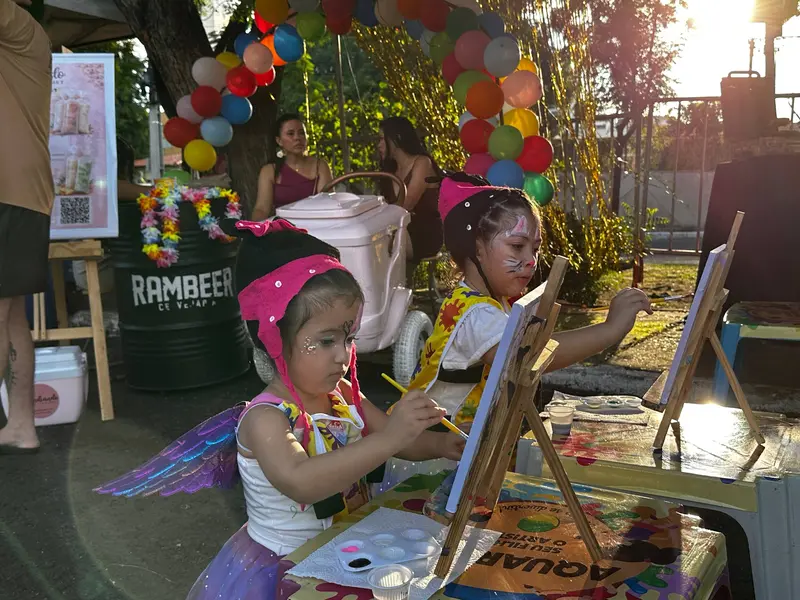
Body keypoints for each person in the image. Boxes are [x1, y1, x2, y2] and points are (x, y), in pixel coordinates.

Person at [95, 218, 464, 599]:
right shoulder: (264, 420)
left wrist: (440, 445)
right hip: (286, 570)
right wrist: (390, 439)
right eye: (326, 341)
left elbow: (396, 438)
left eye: (349, 338)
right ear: (274, 340)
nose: (343, 355)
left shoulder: (342, 395)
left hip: (348, 550)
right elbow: (302, 480)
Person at [377, 173, 652, 491]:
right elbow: (528, 357)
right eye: (517, 246)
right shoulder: (476, 314)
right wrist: (609, 330)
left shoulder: (494, 304)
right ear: (476, 248)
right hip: (429, 464)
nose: (531, 261)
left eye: (535, 249)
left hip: (454, 455)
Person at [0, 0, 53, 454]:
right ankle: (20, 425)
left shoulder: (21, 28)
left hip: (9, 194)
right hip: (19, 195)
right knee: (11, 314)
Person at [378, 116, 443, 262]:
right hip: (398, 228)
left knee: (378, 242)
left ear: (396, 139)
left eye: (382, 139)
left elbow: (408, 204)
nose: (379, 145)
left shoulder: (422, 162)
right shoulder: (390, 170)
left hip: (424, 232)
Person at [252, 114, 332, 220]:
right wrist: (256, 227)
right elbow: (262, 209)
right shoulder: (269, 171)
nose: (297, 138)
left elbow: (328, 204)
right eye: (290, 133)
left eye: (301, 133)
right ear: (279, 141)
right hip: (283, 227)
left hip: (316, 224)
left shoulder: (320, 166)